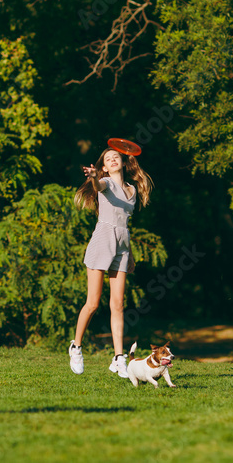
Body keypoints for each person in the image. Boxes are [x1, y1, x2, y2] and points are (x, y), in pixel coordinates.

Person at [68, 146, 153, 377]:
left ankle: (118, 358)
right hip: (102, 242)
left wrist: (130, 254)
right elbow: (98, 186)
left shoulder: (132, 190)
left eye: (117, 157)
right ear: (104, 167)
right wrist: (95, 177)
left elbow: (124, 226)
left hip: (122, 248)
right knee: (93, 304)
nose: (113, 160)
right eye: (108, 158)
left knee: (118, 305)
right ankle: (76, 347)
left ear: (124, 163)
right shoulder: (105, 183)